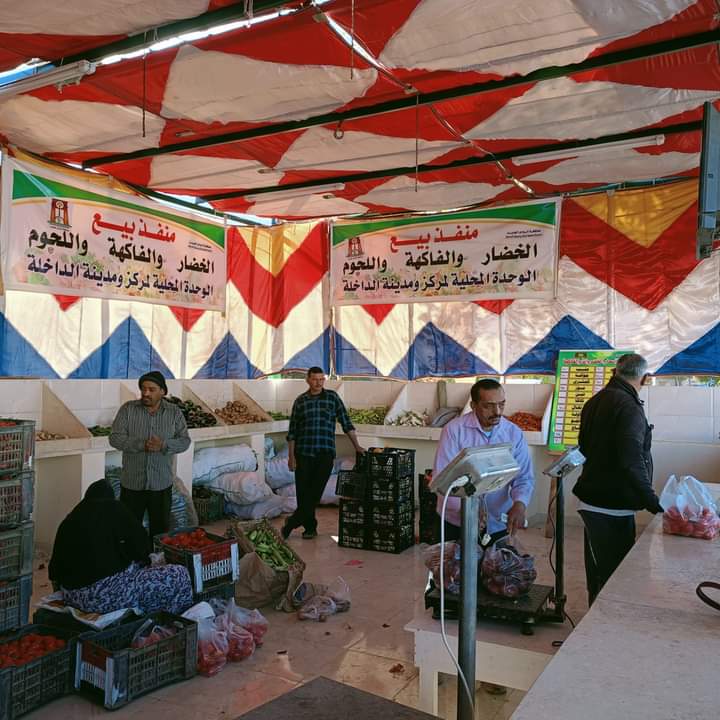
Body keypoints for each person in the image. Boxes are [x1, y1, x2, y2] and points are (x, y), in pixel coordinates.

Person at [574, 353, 663, 605]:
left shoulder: (594, 401)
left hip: (595, 501)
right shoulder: (629, 407)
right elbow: (632, 461)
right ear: (644, 378)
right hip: (610, 506)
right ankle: (601, 625)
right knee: (613, 578)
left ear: (616, 372)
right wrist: (651, 500)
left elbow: (584, 447)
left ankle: (598, 620)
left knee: (601, 572)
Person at [49, 479, 193, 615]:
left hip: (72, 598)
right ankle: (173, 621)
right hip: (106, 597)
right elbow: (141, 547)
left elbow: (54, 572)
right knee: (179, 574)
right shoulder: (114, 509)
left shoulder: (69, 520)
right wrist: (148, 562)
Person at [434, 379, 535, 540]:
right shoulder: (454, 430)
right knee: (456, 556)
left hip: (498, 520)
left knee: (496, 556)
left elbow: (523, 477)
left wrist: (519, 504)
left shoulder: (513, 433)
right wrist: (468, 510)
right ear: (473, 405)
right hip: (457, 521)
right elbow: (444, 481)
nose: (497, 412)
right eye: (488, 406)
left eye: (501, 404)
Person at [283, 367, 365, 539]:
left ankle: (291, 522)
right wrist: (291, 457)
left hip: (325, 454)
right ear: (307, 380)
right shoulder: (300, 401)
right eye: (315, 379)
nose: (318, 383)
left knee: (315, 493)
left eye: (321, 379)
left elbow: (346, 423)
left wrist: (357, 446)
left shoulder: (332, 398)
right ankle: (310, 528)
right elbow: (292, 432)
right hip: (303, 453)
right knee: (303, 493)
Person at [109, 370, 190, 541]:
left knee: (160, 532)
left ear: (163, 391)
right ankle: (132, 558)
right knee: (129, 531)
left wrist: (164, 445)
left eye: (151, 389)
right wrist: (141, 444)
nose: (146, 393)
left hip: (161, 484)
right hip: (132, 483)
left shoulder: (174, 412)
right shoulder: (128, 410)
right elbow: (115, 438)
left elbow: (184, 441)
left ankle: (156, 557)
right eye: (143, 389)